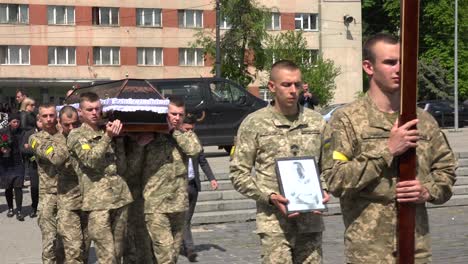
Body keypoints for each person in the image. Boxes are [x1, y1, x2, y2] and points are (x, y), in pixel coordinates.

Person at [321, 33, 457, 263]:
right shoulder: (346, 120)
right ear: (368, 67)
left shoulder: (423, 120)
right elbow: (335, 179)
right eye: (390, 62)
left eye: (403, 61)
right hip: (369, 251)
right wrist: (387, 150)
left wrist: (427, 191)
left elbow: (446, 170)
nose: (399, 69)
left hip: (416, 248)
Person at [230, 60, 330, 263]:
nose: (294, 90)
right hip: (274, 223)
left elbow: (328, 166)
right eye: (286, 85)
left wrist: (324, 188)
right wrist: (269, 196)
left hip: (310, 221)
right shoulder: (254, 123)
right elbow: (238, 173)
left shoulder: (316, 122)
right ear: (272, 87)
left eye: (297, 84)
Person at [67, 92, 133, 263]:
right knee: (107, 256)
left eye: (97, 108)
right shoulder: (76, 136)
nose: (94, 112)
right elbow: (91, 160)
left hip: (120, 197)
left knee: (118, 253)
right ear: (80, 112)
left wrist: (118, 141)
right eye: (89, 109)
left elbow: (121, 167)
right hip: (97, 203)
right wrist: (108, 137)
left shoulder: (107, 131)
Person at [142, 97, 202, 264]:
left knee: (172, 255)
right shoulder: (151, 135)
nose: (176, 118)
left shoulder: (185, 135)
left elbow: (194, 150)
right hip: (156, 204)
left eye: (180, 115)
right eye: (173, 114)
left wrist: (174, 131)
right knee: (165, 253)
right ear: (165, 114)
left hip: (178, 204)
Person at [28, 104, 66, 263]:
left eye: (52, 115)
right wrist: (63, 136)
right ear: (39, 119)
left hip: (68, 194)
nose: (49, 119)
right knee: (50, 242)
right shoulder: (35, 139)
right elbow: (55, 157)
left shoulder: (66, 133)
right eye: (45, 116)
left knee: (68, 243)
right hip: (48, 196)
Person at [181, 114, 218, 262]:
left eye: (192, 129)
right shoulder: (175, 141)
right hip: (179, 187)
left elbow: (202, 161)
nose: (190, 132)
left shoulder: (195, 140)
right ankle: (189, 249)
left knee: (186, 220)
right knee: (183, 220)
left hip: (193, 185)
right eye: (187, 129)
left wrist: (212, 178)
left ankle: (183, 245)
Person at [56, 105, 90, 264]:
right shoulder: (55, 141)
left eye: (75, 124)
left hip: (87, 201)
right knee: (73, 248)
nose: (71, 128)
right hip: (67, 202)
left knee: (84, 247)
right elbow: (56, 158)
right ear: (59, 123)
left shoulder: (87, 137)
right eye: (67, 125)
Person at [0, 113, 25, 221]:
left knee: (18, 187)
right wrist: (2, 149)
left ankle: (19, 211)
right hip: (6, 163)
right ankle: (10, 208)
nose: (16, 124)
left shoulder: (23, 132)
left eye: (18, 122)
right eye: (14, 122)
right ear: (9, 122)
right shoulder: (3, 132)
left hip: (18, 162)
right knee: (8, 187)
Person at [20, 118, 42, 218]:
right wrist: (39, 150)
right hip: (34, 165)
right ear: (36, 122)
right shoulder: (29, 133)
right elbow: (23, 149)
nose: (41, 123)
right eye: (39, 121)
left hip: (49, 166)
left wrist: (31, 147)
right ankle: (34, 207)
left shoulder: (51, 132)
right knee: (35, 187)